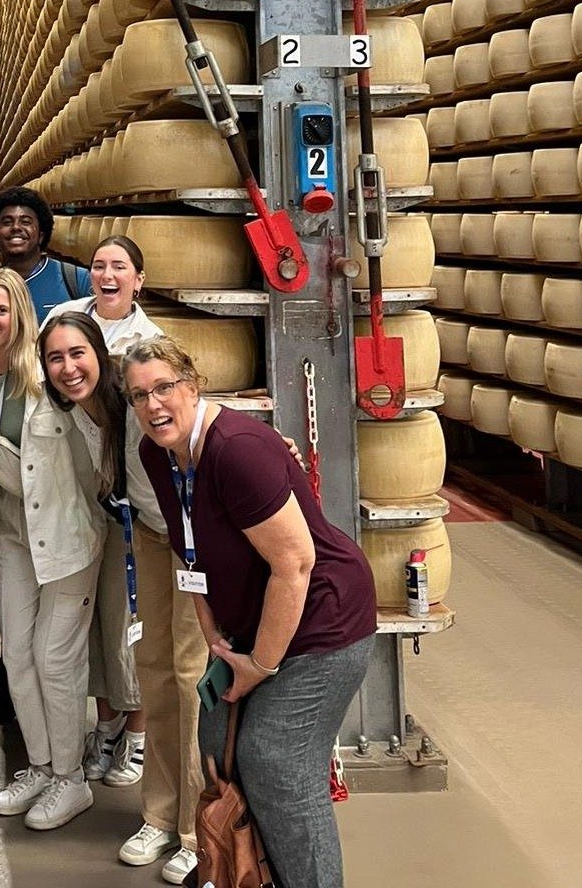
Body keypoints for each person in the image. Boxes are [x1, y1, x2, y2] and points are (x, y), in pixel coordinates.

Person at [124, 336, 378, 888]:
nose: (153, 405)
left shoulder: (236, 449)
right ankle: (250, 873)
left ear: (193, 385)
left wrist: (258, 666)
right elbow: (185, 547)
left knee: (274, 760)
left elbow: (295, 565)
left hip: (321, 623)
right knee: (216, 742)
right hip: (248, 623)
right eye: (139, 395)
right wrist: (217, 639)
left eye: (164, 388)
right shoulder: (156, 454)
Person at [38, 311, 203, 885]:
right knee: (154, 673)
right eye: (55, 358)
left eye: (77, 354)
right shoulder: (82, 413)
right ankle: (159, 814)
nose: (67, 368)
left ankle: (195, 828)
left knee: (187, 678)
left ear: (98, 356)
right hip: (154, 539)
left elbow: (203, 435)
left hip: (195, 543)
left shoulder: (135, 407)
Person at [0, 268, 106, 831]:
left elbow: (100, 443)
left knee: (54, 657)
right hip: (14, 537)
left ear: (20, 316)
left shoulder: (48, 380)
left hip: (66, 538)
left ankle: (72, 779)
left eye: (1, 309)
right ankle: (42, 766)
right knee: (16, 654)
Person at [45, 236, 161, 796]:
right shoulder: (65, 321)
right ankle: (108, 724)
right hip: (81, 502)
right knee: (93, 624)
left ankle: (136, 731)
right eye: (98, 265)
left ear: (139, 279)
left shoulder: (151, 345)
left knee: (125, 621)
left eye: (120, 267)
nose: (107, 274)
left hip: (130, 506)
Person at [0, 186, 90, 320]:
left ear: (41, 234)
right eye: (7, 222)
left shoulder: (78, 280)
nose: (16, 227)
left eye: (26, 222)